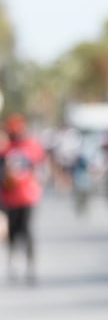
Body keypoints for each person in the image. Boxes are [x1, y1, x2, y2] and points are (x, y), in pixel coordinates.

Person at [0, 114, 46, 284]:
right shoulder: (4, 149)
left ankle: (30, 266)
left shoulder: (31, 146)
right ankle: (12, 263)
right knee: (11, 233)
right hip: (8, 198)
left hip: (27, 197)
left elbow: (40, 167)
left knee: (26, 231)